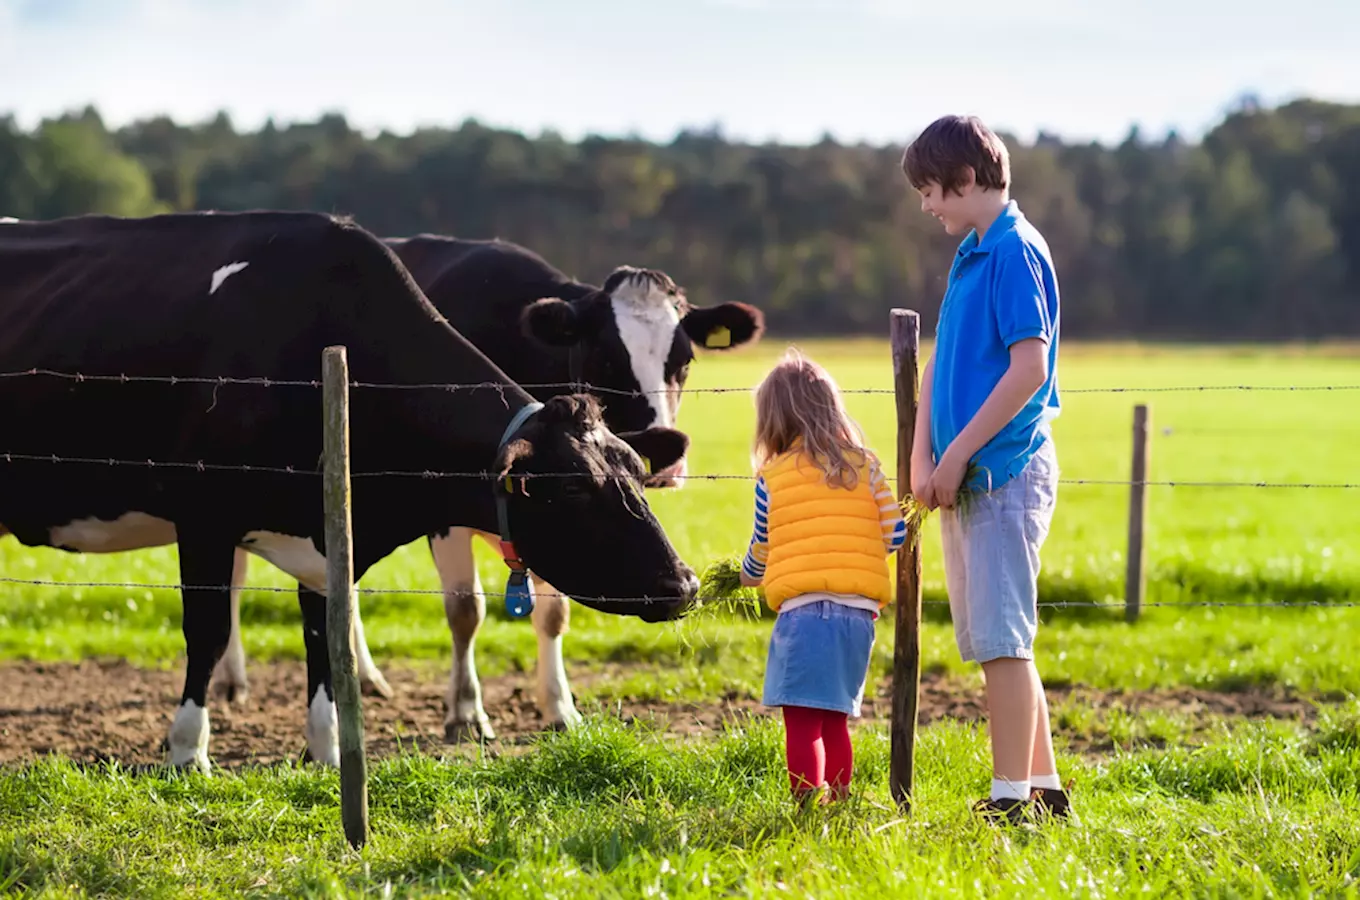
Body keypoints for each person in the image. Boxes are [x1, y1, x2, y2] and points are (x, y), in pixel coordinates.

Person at [901, 114, 1071, 824]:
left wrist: (962, 451)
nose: (926, 205)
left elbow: (1029, 367)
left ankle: (1009, 801)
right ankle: (1045, 789)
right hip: (965, 475)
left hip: (1002, 473)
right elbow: (943, 360)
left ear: (968, 179)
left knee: (1004, 641)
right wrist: (921, 453)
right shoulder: (973, 252)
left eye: (931, 191)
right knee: (997, 638)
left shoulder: (1013, 252)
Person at [738, 348, 906, 804]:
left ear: (771, 421)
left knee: (801, 720)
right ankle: (842, 798)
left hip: (802, 613)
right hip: (858, 616)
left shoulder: (771, 477)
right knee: (834, 717)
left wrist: (747, 576)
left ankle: (806, 807)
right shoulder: (865, 465)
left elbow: (763, 545)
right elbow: (895, 532)